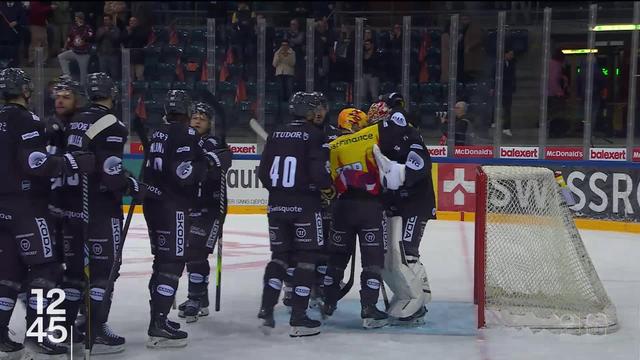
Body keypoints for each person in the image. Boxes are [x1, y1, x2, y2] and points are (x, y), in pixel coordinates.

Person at [0, 68, 94, 357]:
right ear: (25, 91)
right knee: (47, 268)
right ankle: (41, 335)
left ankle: (1, 335)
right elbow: (35, 163)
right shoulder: (28, 120)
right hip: (27, 207)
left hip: (2, 207)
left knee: (9, 274)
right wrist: (70, 163)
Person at [62, 72, 141, 354]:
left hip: (71, 209)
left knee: (72, 274)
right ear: (113, 94)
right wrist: (130, 184)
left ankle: (66, 331)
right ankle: (95, 332)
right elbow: (109, 172)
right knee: (103, 271)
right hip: (100, 209)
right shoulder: (113, 124)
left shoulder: (76, 120)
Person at [143, 90, 219, 348]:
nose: (196, 121)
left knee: (161, 262)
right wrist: (206, 164)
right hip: (172, 207)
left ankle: (158, 317)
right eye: (193, 115)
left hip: (153, 204)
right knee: (172, 264)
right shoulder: (185, 134)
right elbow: (185, 173)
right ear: (186, 112)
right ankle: (159, 325)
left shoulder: (157, 132)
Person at [257, 92, 334, 337]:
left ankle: (267, 307)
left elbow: (263, 173)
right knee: (306, 259)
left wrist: (280, 193)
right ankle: (299, 318)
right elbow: (320, 173)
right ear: (309, 112)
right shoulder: (315, 134)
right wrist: (327, 188)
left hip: (277, 205)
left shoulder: (276, 133)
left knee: (279, 256)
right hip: (305, 207)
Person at [320, 107, 390, 329]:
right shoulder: (371, 136)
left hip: (341, 208)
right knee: (373, 262)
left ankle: (328, 303)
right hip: (369, 208)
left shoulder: (331, 147)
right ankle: (369, 309)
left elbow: (325, 182)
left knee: (336, 260)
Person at [372, 93, 435, 326]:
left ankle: (418, 300)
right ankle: (417, 294)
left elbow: (418, 168)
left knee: (408, 252)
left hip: (415, 204)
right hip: (398, 204)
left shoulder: (409, 135)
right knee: (392, 255)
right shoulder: (383, 138)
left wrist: (397, 174)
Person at [177, 102, 232, 323]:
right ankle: (202, 299)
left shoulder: (212, 143)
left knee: (196, 252)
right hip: (189, 205)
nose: (197, 120)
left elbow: (215, 167)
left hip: (211, 207)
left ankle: (194, 298)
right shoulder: (184, 141)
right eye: (195, 116)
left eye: (203, 117)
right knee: (190, 251)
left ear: (210, 123)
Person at [58, 12, 94, 85]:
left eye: (77, 18)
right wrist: (65, 48)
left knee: (83, 73)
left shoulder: (87, 28)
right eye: (75, 18)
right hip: (74, 52)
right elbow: (69, 39)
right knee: (61, 56)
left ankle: (83, 88)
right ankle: (67, 75)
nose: (76, 19)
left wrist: (83, 35)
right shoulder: (73, 27)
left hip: (84, 54)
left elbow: (90, 36)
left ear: (81, 18)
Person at [95, 14, 121, 80]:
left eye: (107, 20)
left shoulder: (116, 29)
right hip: (102, 54)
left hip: (113, 55)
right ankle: (105, 89)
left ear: (111, 20)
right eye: (104, 20)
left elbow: (116, 40)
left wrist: (108, 32)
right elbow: (97, 39)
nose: (105, 21)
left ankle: (115, 89)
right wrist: (103, 33)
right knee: (103, 74)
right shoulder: (100, 29)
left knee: (114, 74)